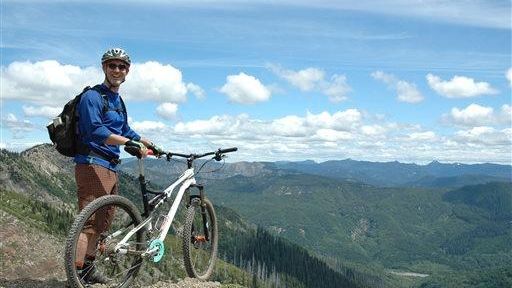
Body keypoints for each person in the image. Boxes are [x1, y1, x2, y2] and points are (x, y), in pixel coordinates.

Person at [73, 48, 162, 284]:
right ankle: (76, 275)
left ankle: (88, 270)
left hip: (110, 166)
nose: (116, 70)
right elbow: (96, 130)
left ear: (127, 72)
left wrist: (145, 141)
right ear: (104, 68)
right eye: (112, 65)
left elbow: (123, 130)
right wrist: (129, 143)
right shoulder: (92, 97)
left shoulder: (117, 101)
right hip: (92, 163)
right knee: (89, 222)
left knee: (102, 222)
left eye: (121, 67)